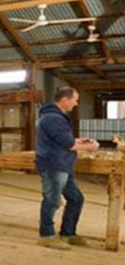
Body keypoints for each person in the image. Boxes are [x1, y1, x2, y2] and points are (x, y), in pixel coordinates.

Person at [35, 86, 99, 250]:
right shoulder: (53, 118)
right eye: (75, 100)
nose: (76, 104)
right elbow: (68, 144)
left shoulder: (56, 117)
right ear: (65, 100)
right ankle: (46, 236)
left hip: (63, 164)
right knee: (52, 201)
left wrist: (79, 140)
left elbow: (63, 139)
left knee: (76, 199)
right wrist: (90, 147)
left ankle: (68, 233)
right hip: (54, 165)